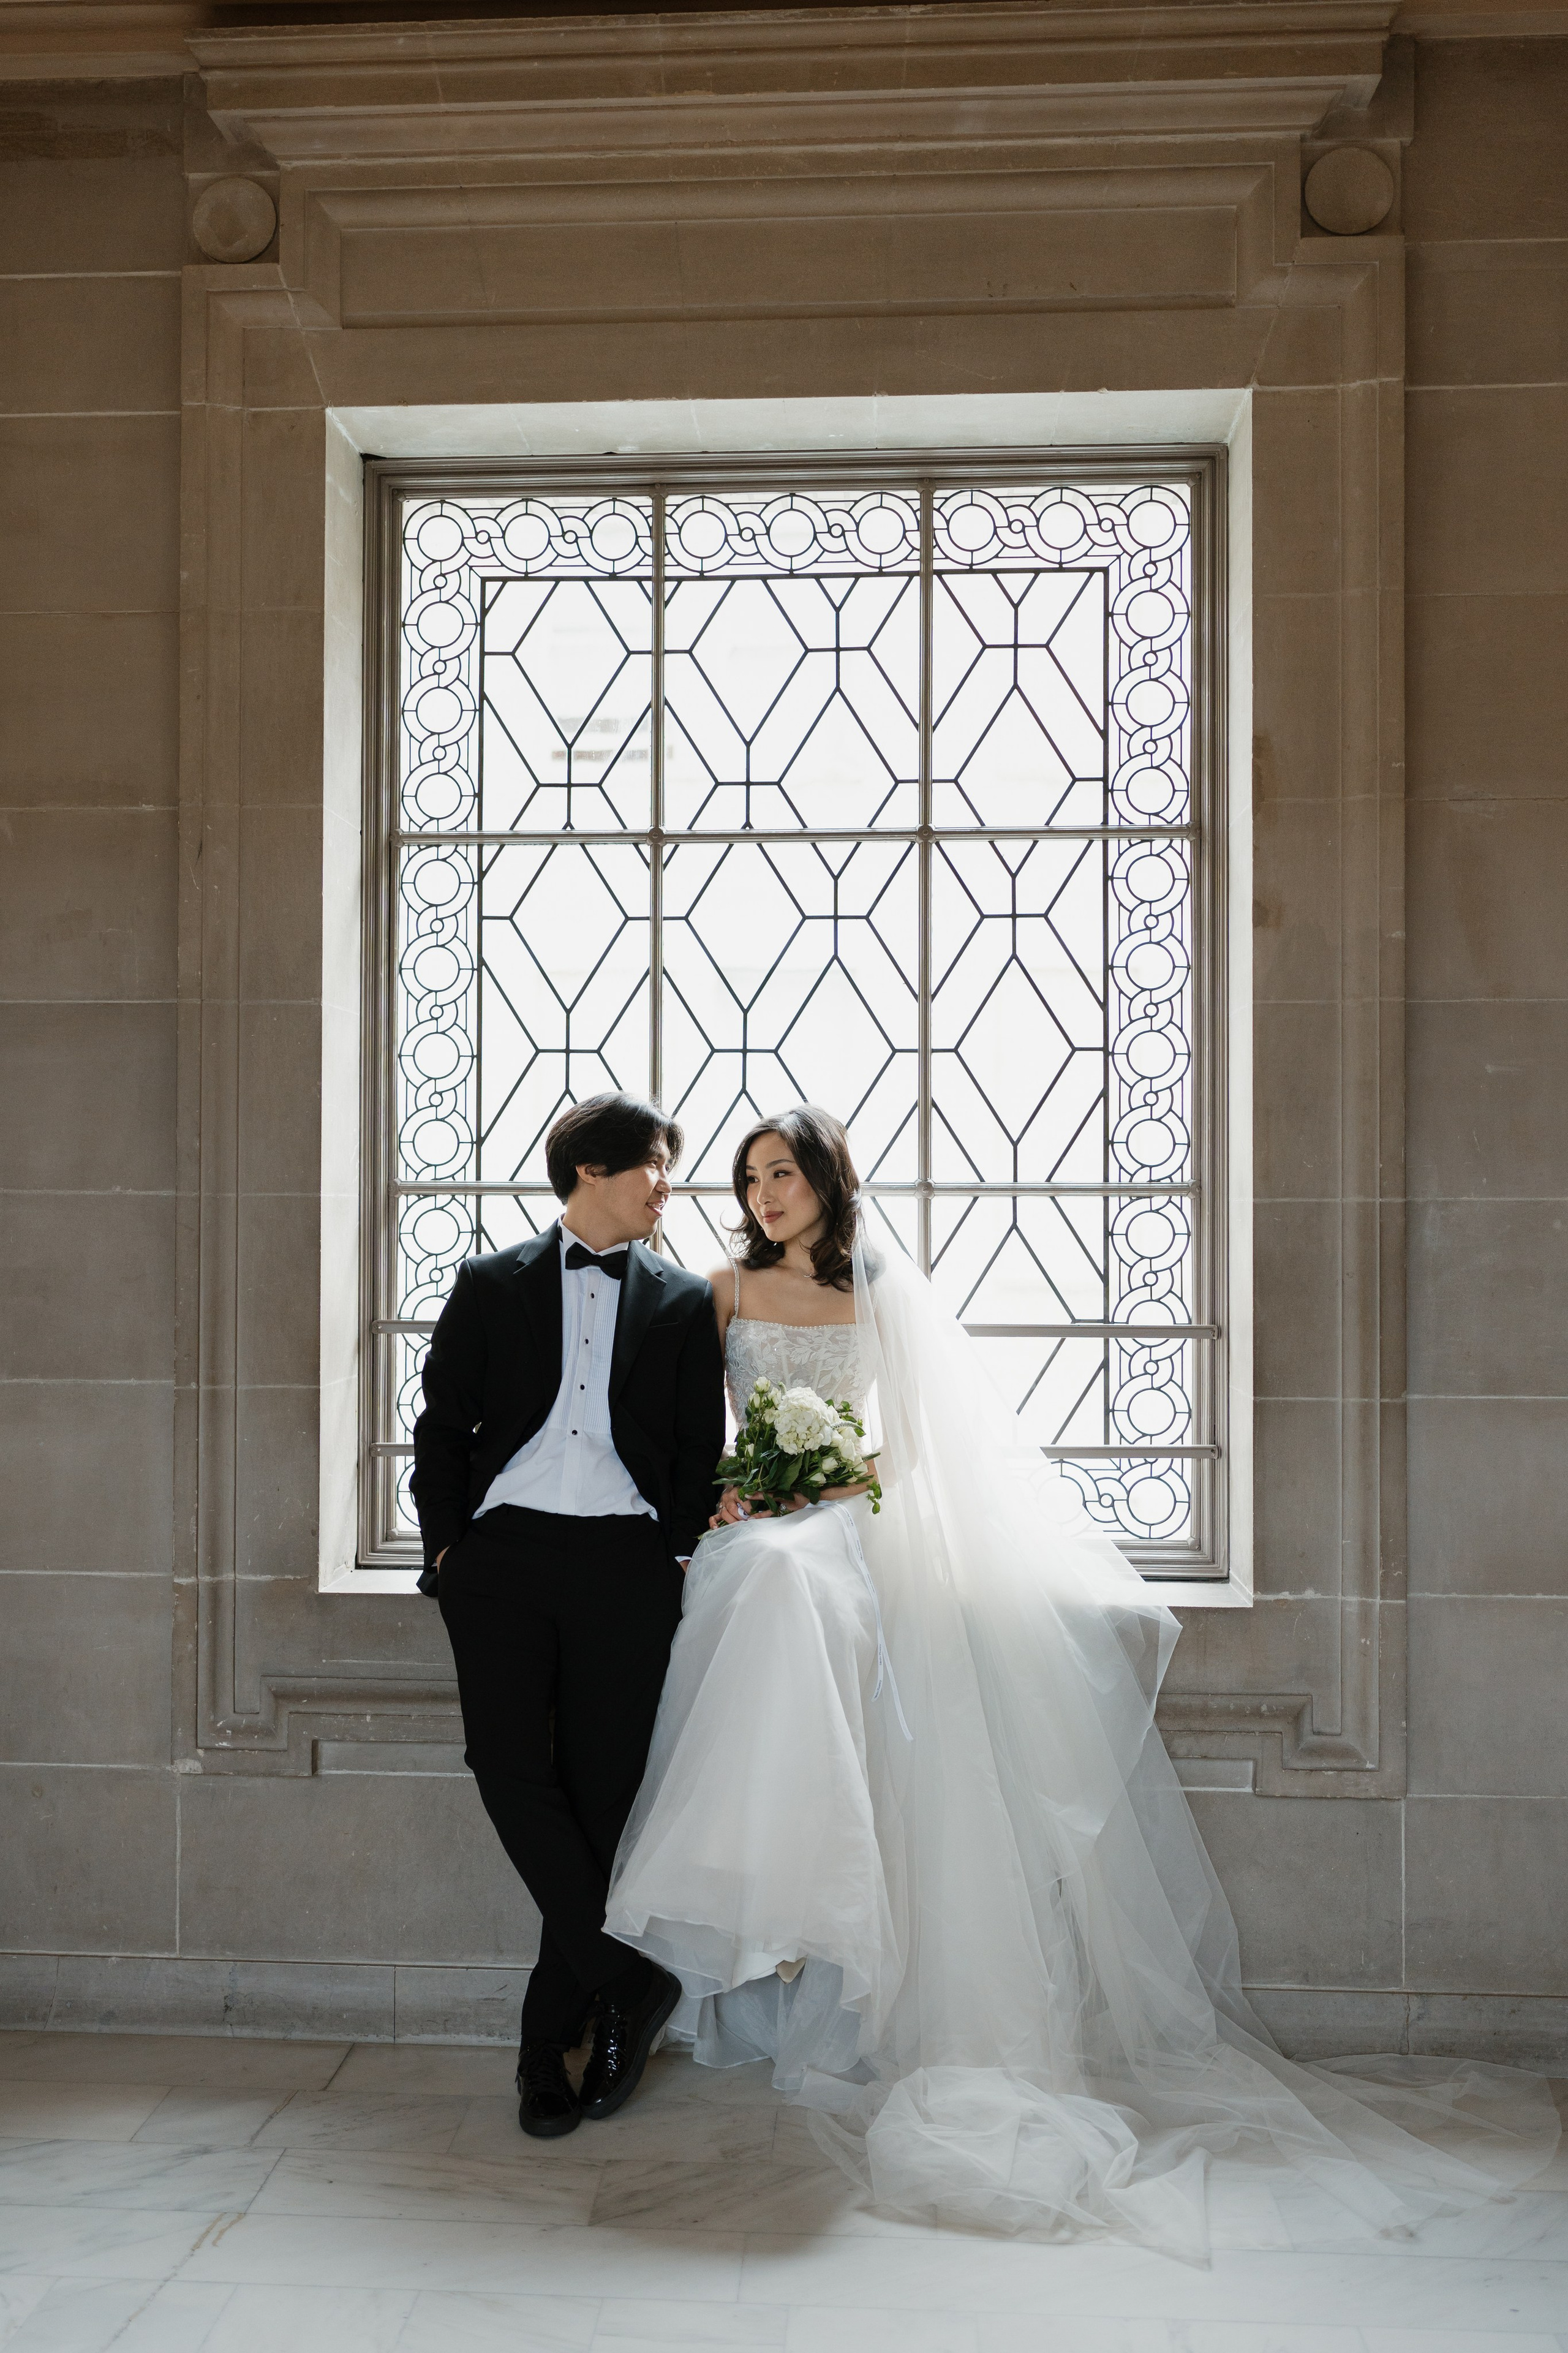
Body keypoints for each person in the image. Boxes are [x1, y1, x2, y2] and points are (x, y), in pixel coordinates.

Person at [605, 1106, 1559, 2259]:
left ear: (824, 1182)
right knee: (755, 1574)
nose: (765, 1194)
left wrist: (821, 1480)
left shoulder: (882, 1296)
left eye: (784, 1174)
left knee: (791, 1580)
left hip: (849, 1517)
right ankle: (765, 1881)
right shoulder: (722, 1293)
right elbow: (681, 1427)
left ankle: (807, 1905)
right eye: (751, 1178)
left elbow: (903, 1445)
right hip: (761, 1519)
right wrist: (739, 1489)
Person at [411, 1092, 723, 2139]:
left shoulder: (682, 1301)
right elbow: (442, 1424)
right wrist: (448, 1549)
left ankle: (546, 2049)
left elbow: (694, 1447)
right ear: (593, 1171)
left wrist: (674, 1552)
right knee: (506, 1769)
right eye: (653, 1167)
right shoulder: (488, 1283)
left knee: (598, 1806)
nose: (666, 1187)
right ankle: (625, 1982)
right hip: (501, 1562)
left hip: (624, 1569)